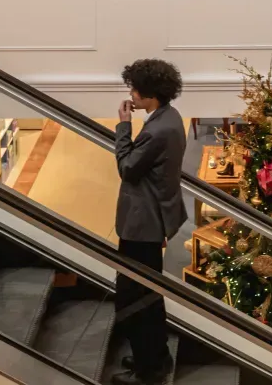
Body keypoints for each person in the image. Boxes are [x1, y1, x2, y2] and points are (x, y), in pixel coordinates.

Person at [111, 59, 188, 385]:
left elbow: (128, 168)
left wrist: (123, 127)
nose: (131, 95)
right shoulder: (170, 117)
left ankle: (149, 370)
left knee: (135, 298)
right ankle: (156, 356)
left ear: (150, 94)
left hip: (142, 226)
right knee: (149, 294)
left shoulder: (157, 130)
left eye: (135, 90)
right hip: (153, 221)